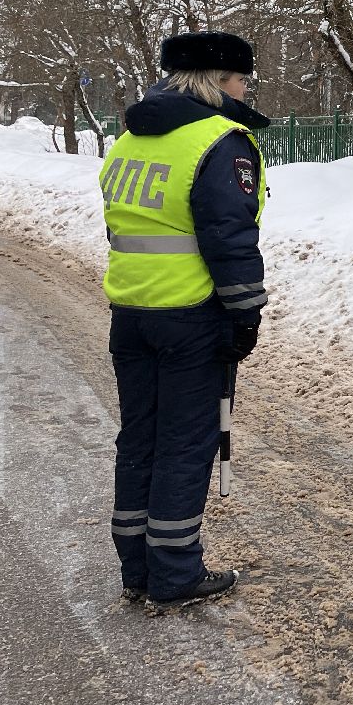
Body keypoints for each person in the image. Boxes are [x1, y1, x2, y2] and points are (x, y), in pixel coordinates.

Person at [100, 31, 269, 609]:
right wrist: (245, 312)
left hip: (131, 312)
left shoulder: (130, 140)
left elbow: (121, 226)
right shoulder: (219, 142)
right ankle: (174, 574)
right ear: (218, 82)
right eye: (242, 79)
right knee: (185, 442)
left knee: (140, 437)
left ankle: (137, 568)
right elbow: (229, 235)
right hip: (192, 315)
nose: (245, 89)